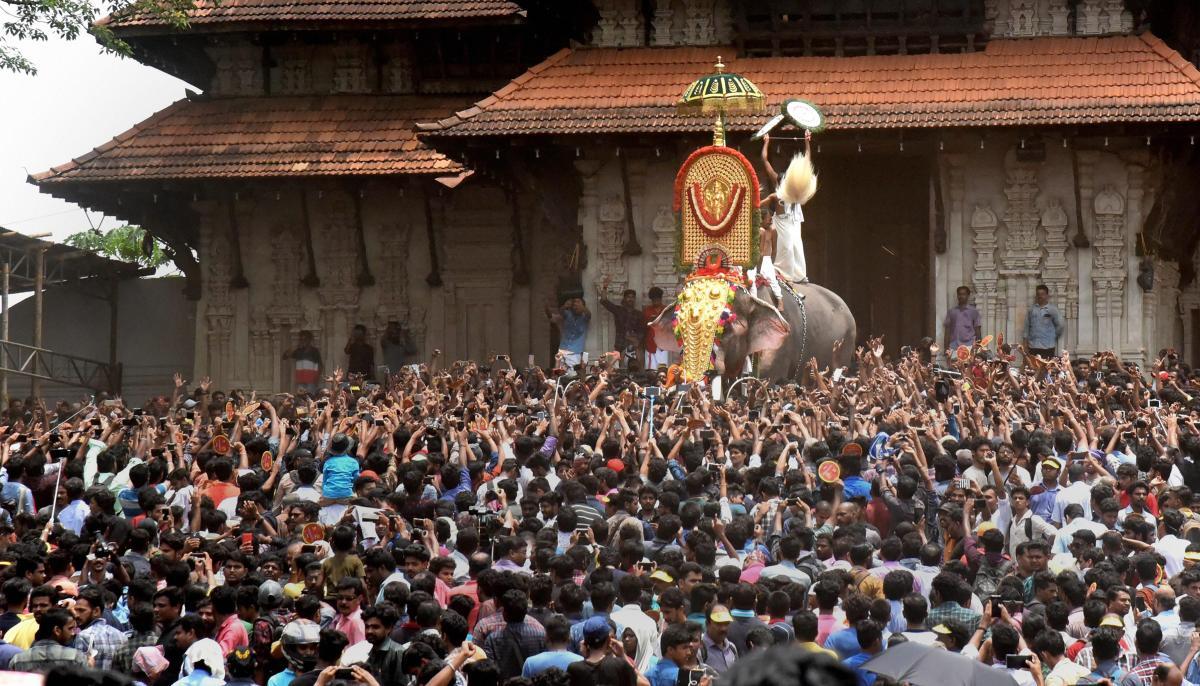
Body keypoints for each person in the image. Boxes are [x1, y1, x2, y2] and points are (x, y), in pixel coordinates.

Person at [759, 131, 816, 287]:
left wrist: (807, 142)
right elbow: (764, 160)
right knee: (786, 248)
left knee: (797, 245)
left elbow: (806, 162)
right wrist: (767, 141)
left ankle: (799, 275)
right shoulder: (776, 188)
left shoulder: (797, 189)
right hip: (781, 221)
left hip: (794, 220)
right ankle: (781, 272)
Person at [8, 608, 87, 673]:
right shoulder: (76, 657)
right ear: (57, 630)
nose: (73, 633)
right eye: (70, 628)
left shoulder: (17, 660)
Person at [597, 280, 644, 369]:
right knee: (618, 370)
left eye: (633, 297)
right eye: (628, 297)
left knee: (636, 369)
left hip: (634, 346)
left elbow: (641, 331)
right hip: (620, 345)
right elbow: (603, 301)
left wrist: (635, 340)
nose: (631, 299)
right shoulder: (619, 310)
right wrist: (604, 287)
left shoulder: (639, 314)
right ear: (624, 299)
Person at [1023, 284, 1064, 358]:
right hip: (1033, 346)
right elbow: (1026, 327)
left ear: (1047, 296)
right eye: (1038, 294)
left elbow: (1060, 325)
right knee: (1033, 368)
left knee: (1047, 368)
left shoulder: (1052, 309)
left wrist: (1053, 336)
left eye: (1042, 294)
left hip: (1048, 347)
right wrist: (1025, 343)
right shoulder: (1032, 310)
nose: (1040, 296)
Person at [547, 298, 590, 368]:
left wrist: (581, 307)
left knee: (572, 375)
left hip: (575, 352)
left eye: (578, 302)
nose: (575, 304)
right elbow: (561, 311)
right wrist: (565, 306)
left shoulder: (584, 317)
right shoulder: (568, 314)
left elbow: (589, 314)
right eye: (574, 303)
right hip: (562, 350)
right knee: (559, 373)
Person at [943, 285, 982, 353]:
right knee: (954, 364)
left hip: (969, 347)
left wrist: (978, 347)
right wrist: (946, 348)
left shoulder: (973, 311)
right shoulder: (951, 312)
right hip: (954, 347)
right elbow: (947, 331)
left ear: (968, 296)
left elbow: (977, 330)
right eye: (959, 294)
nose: (961, 296)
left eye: (964, 294)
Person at [283, 330, 322, 394]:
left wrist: (317, 378)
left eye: (305, 339)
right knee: (301, 399)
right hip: (300, 380)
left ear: (309, 340)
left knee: (310, 397)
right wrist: (295, 346)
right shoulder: (298, 351)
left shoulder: (314, 351)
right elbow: (285, 356)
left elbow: (320, 365)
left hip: (311, 380)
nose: (303, 341)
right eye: (301, 339)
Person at [643, 287, 669, 370]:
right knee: (651, 370)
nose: (656, 301)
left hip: (664, 345)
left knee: (663, 369)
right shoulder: (647, 311)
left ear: (661, 298)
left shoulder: (666, 310)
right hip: (651, 344)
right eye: (654, 299)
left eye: (658, 298)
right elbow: (644, 326)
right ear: (651, 300)